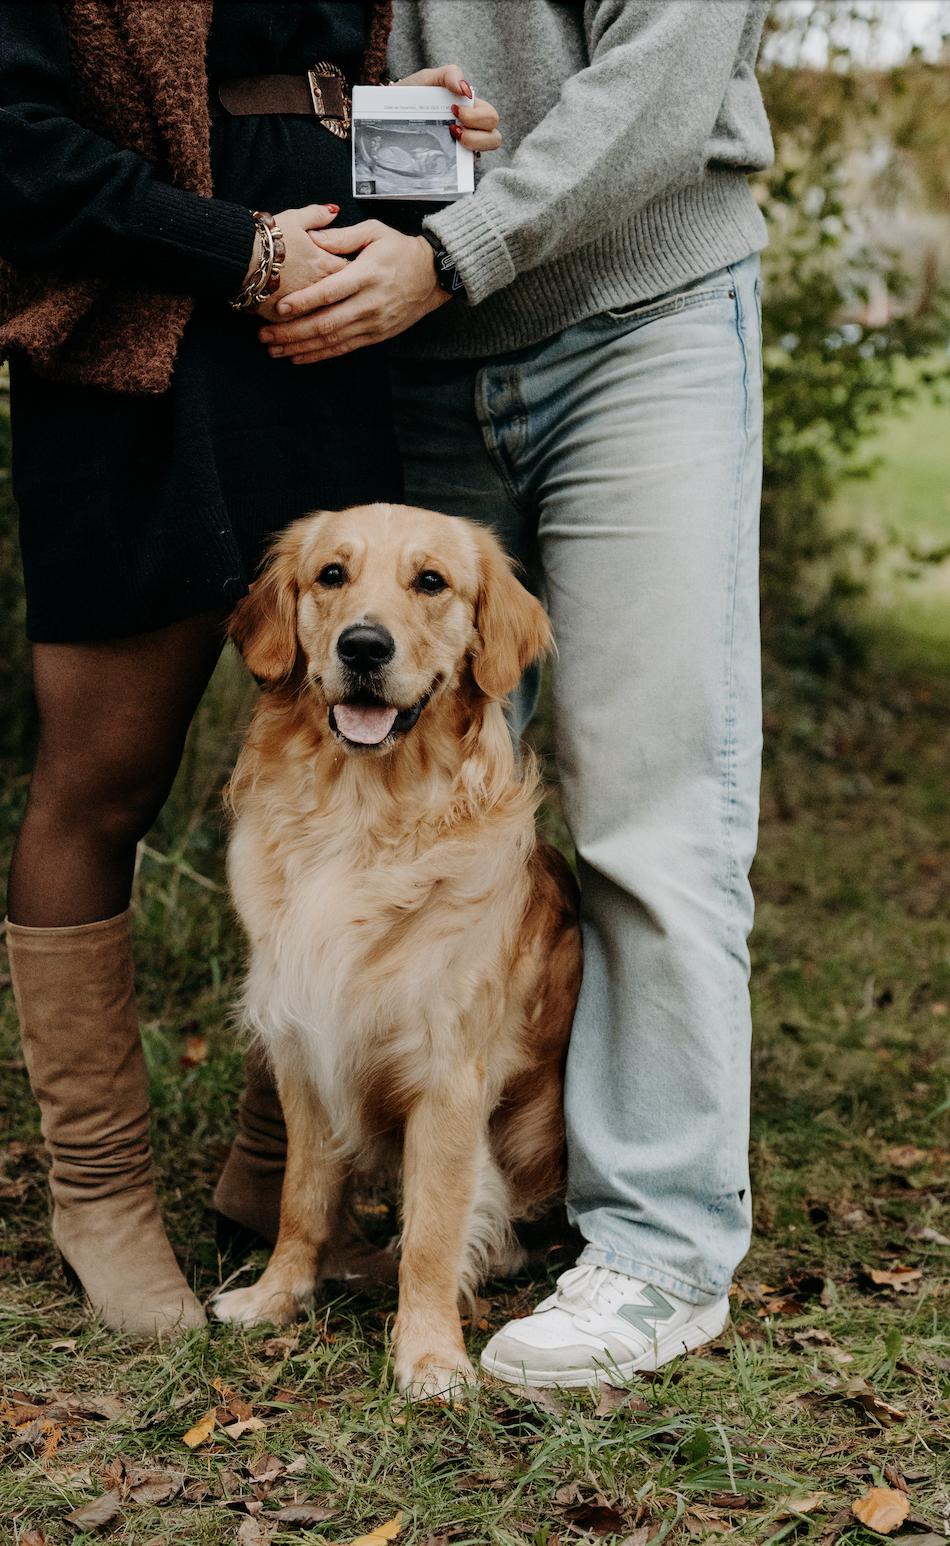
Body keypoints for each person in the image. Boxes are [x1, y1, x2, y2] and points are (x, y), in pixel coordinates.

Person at [0, 1, 501, 1338]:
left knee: (339, 758)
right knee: (102, 778)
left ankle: (280, 1179)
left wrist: (428, 149)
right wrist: (238, 253)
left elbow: (315, 81)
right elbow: (4, 145)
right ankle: (103, 1194)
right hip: (133, 332)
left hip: (322, 335)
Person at [227, 0, 774, 1386]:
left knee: (650, 805)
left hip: (634, 314)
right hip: (417, 349)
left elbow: (669, 70)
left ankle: (655, 1248)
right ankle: (359, 1209)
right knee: (397, 809)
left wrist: (457, 247)